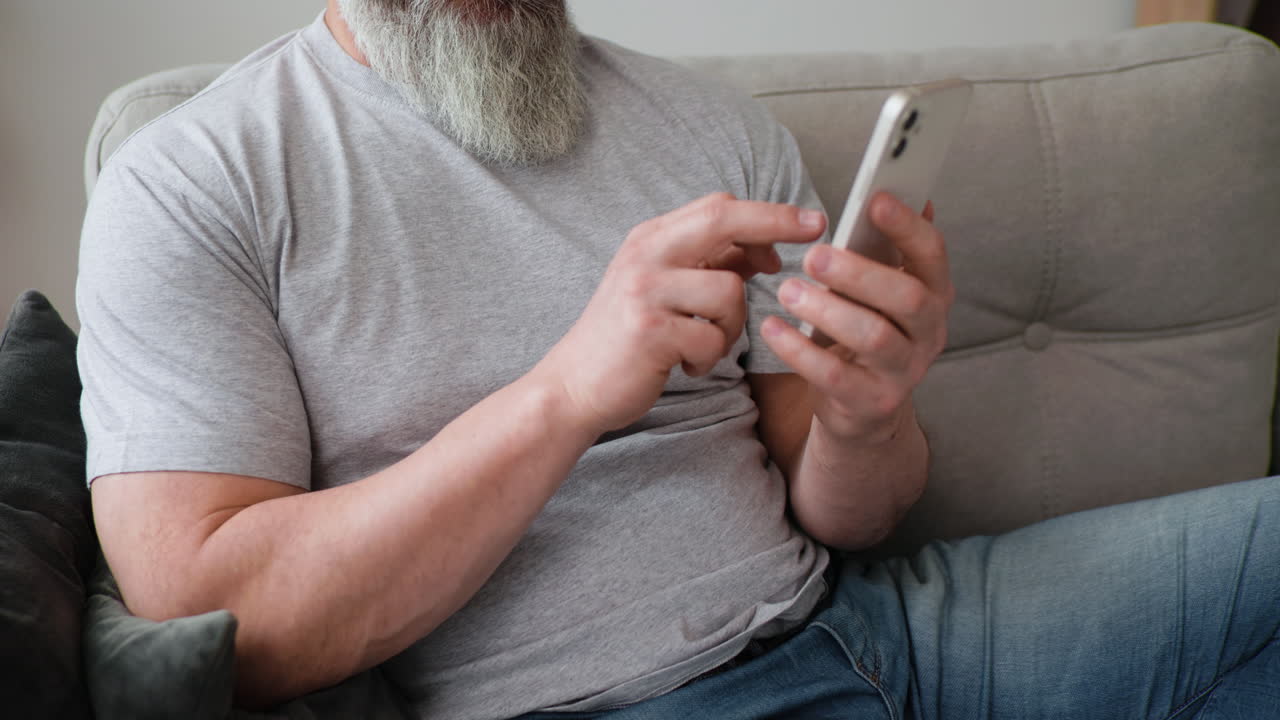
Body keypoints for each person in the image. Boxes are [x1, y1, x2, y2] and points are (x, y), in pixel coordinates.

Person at [77, 1, 1279, 718]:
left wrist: (868, 416)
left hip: (873, 628)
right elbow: (212, 616)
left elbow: (845, 513)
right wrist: (562, 395)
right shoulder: (195, 183)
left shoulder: (708, 126)